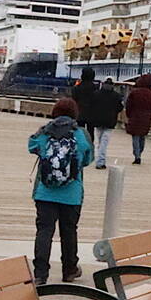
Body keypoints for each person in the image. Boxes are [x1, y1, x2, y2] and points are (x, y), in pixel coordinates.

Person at [27, 96, 92, 284]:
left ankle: (40, 273)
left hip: (45, 192)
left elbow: (32, 146)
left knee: (44, 231)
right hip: (72, 194)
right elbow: (88, 159)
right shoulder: (81, 134)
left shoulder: (44, 131)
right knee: (69, 231)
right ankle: (69, 270)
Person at [123, 73, 151, 165]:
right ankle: (140, 152)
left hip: (134, 116)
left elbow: (128, 105)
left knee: (135, 136)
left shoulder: (134, 92)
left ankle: (137, 155)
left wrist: (129, 114)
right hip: (146, 117)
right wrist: (149, 113)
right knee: (142, 136)